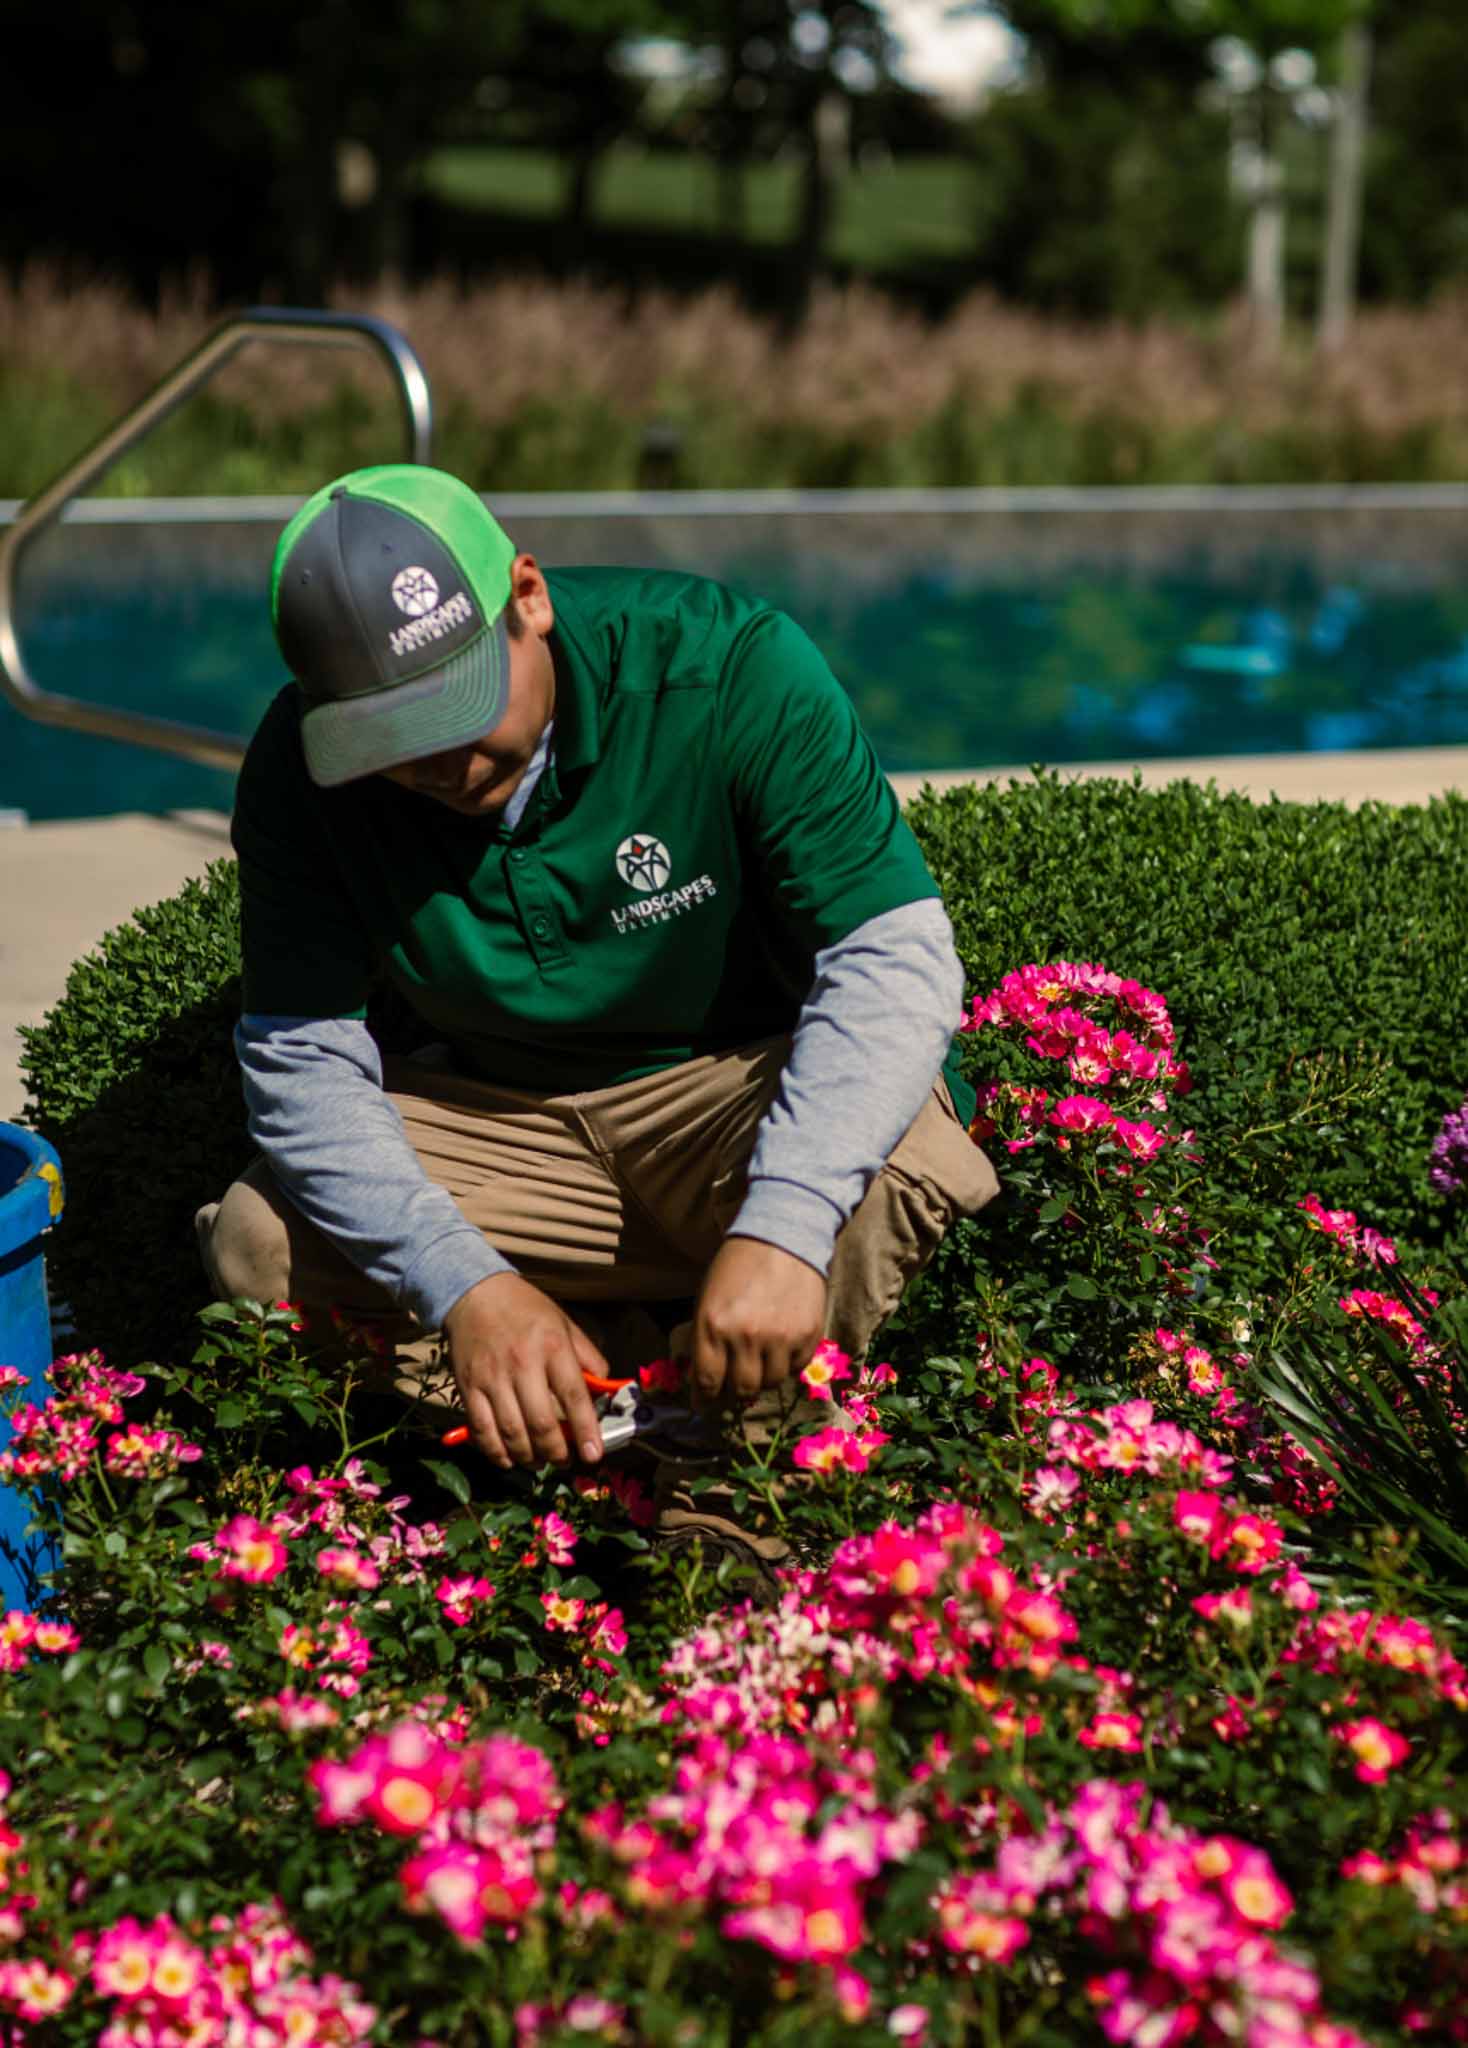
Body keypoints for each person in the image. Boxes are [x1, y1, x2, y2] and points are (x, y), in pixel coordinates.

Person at [196, 463, 998, 1546]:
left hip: (735, 1090)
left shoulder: (732, 667)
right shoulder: (300, 775)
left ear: (528, 595)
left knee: (904, 1144)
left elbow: (891, 957)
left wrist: (785, 1222)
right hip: (503, 1119)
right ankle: (608, 1406)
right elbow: (302, 1060)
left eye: (454, 699)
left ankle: (730, 1487)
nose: (435, 759)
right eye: (383, 736)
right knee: (260, 1240)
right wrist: (464, 1283)